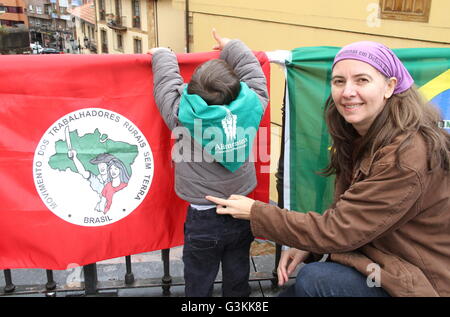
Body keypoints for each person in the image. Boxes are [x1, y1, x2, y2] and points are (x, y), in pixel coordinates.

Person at [206, 41, 450, 297]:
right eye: (339, 81)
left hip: (420, 282)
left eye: (362, 80)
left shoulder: (405, 156)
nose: (348, 92)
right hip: (385, 259)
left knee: (316, 279)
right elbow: (358, 214)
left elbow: (339, 229)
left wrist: (256, 212)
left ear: (389, 86)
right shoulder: (364, 132)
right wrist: (311, 245)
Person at [149, 29, 269, 297]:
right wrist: (231, 46)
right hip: (242, 208)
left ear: (191, 95)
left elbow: (166, 85)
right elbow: (255, 75)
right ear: (239, 94)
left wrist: (164, 55)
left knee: (199, 276)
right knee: (238, 272)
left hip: (202, 216)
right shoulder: (254, 105)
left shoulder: (181, 116)